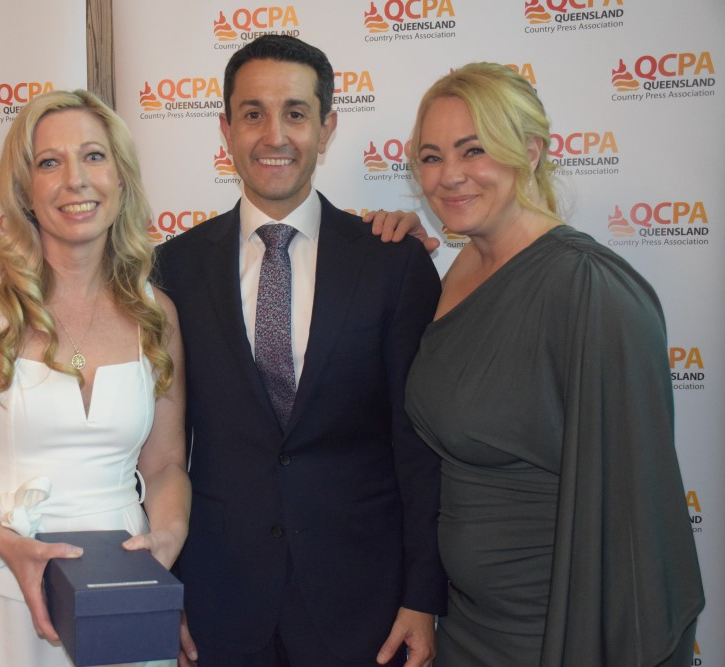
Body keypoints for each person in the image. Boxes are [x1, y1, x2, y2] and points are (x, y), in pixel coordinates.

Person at [391, 62, 704, 665]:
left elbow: (638, 511)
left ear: (530, 150)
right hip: (464, 626)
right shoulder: (458, 267)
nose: (449, 176)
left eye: (473, 150)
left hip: (556, 633)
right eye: (431, 157)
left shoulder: (590, 288)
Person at [156, 35, 446, 667]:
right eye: (253, 113)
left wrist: (423, 597)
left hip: (365, 605)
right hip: (217, 601)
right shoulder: (170, 270)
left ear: (327, 126)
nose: (274, 135)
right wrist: (161, 591)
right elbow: (154, 451)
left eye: (295, 112)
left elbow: (419, 447)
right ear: (226, 129)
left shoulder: (392, 265)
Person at [0, 89, 190, 666]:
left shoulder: (158, 313)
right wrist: (8, 544)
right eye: (50, 162)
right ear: (25, 189)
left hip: (114, 593)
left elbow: (166, 464)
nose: (75, 179)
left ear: (121, 178)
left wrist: (167, 540)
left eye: (94, 157)